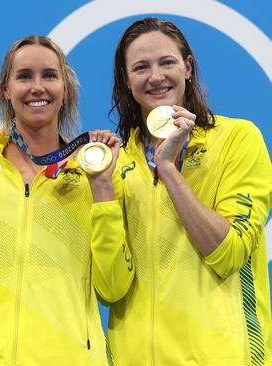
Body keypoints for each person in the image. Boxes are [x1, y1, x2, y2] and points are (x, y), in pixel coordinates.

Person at [0, 35, 135, 365]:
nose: (37, 87)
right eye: (24, 76)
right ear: (5, 90)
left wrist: (101, 189)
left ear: (65, 89)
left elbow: (113, 287)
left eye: (50, 76)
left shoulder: (97, 171)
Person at [108, 17, 272, 365]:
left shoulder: (237, 139)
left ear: (188, 67)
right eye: (141, 67)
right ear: (127, 80)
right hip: (132, 357)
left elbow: (229, 253)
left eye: (166, 62)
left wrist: (167, 167)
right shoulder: (117, 163)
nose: (155, 76)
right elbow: (110, 284)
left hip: (219, 357)